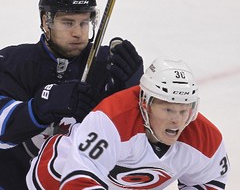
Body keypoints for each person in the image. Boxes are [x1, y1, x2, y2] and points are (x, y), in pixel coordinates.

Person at [0, 0, 143, 190]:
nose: (78, 32)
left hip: (81, 183)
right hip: (11, 181)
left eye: (84, 22)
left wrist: (133, 92)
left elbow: (139, 140)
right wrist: (42, 106)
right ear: (46, 21)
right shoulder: (13, 62)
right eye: (68, 22)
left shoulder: (106, 64)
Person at [26, 57, 230, 190]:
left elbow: (207, 183)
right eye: (168, 109)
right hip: (53, 179)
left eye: (184, 110)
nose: (177, 120)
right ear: (145, 104)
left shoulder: (206, 140)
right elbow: (77, 182)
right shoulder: (112, 120)